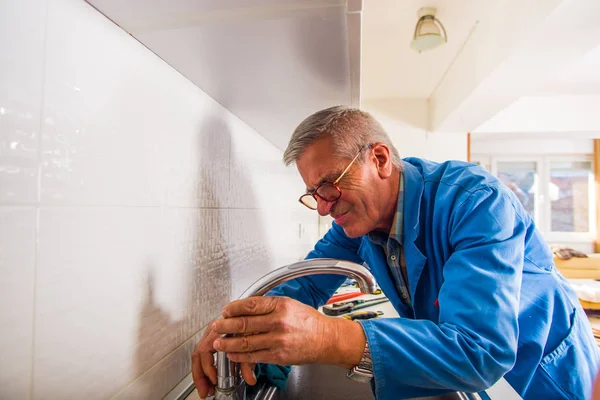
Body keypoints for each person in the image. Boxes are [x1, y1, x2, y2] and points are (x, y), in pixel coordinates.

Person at [192, 106, 600, 399]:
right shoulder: (360, 224)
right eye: (314, 193)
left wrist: (328, 336)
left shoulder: (476, 201)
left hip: (541, 374)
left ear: (380, 159)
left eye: (329, 185)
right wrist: (236, 325)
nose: (322, 206)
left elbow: (480, 350)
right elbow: (304, 285)